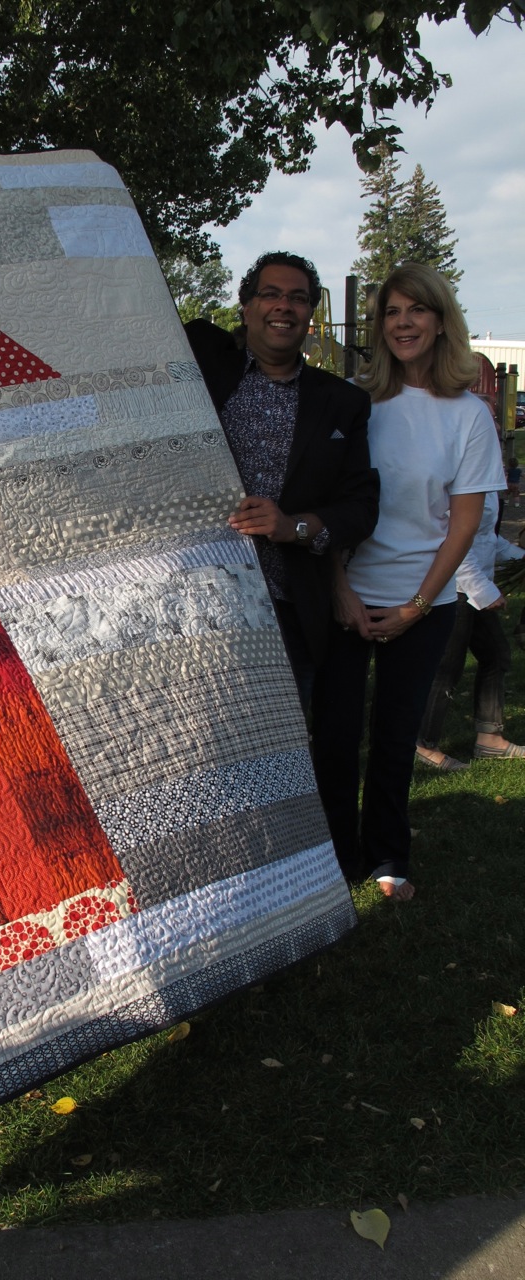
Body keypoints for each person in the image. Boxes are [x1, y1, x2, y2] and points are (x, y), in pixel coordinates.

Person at [311, 263, 506, 901]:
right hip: (346, 595)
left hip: (424, 603)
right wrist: (341, 588)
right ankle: (336, 858)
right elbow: (333, 504)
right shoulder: (354, 402)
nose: (402, 323)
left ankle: (388, 856)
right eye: (391, 312)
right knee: (336, 735)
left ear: (441, 320)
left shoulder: (469, 415)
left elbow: (465, 522)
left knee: (396, 739)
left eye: (415, 310)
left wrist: (418, 607)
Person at [184, 252, 378, 710]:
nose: (283, 307)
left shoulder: (342, 403)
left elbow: (361, 506)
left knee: (283, 746)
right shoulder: (202, 371)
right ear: (246, 306)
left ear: (310, 314)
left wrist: (295, 526)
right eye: (270, 295)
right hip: (198, 597)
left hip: (287, 606)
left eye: (298, 298)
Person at [415, 490, 525, 769]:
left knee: (496, 655)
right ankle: (423, 744)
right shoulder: (458, 481)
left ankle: (490, 737)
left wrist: (520, 558)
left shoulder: (484, 485)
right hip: (455, 589)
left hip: (476, 590)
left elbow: (487, 538)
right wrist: (485, 591)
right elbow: (452, 543)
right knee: (446, 668)